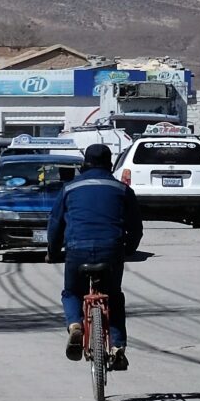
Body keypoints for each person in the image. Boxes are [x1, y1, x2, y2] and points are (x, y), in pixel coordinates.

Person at [46, 143, 141, 370]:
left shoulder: (69, 189)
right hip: (111, 248)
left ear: (84, 164)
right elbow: (136, 226)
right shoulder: (122, 189)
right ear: (110, 165)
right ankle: (118, 347)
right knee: (114, 297)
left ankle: (75, 325)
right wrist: (130, 248)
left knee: (71, 293)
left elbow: (55, 225)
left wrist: (52, 251)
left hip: (77, 249)